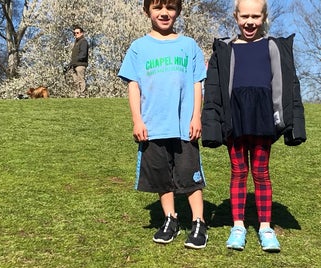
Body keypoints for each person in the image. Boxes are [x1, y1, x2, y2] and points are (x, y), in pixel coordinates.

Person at [201, 0, 306, 252]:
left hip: (262, 117)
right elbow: (213, 89)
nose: (250, 22)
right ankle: (238, 226)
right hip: (234, 117)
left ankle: (265, 228)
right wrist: (212, 124)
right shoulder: (224, 48)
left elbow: (290, 85)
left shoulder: (274, 47)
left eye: (256, 17)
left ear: (264, 18)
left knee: (261, 173)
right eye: (244, 16)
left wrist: (293, 123)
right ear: (236, 16)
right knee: (238, 172)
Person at [117, 0, 208, 249]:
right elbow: (133, 85)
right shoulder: (138, 48)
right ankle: (171, 219)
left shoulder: (188, 45)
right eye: (158, 8)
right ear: (147, 11)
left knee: (190, 176)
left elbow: (196, 82)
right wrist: (137, 120)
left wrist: (196, 117)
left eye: (170, 7)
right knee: (161, 177)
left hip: (183, 127)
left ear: (178, 11)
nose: (164, 13)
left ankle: (199, 222)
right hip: (153, 126)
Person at [69, 26, 89, 97]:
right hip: (74, 64)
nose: (76, 34)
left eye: (77, 33)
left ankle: (82, 95)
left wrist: (75, 60)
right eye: (74, 33)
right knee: (75, 81)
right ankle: (76, 95)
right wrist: (71, 63)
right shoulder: (76, 42)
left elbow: (83, 54)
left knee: (80, 80)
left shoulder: (83, 42)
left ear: (82, 33)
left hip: (80, 64)